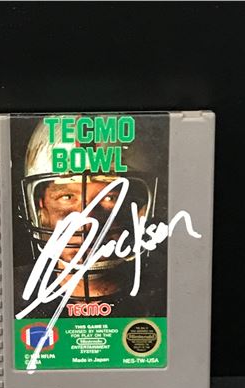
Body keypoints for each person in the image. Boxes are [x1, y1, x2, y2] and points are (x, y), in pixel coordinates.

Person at [14, 116, 167, 319]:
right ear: (41, 208)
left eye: (110, 197)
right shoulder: (10, 292)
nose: (87, 222)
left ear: (139, 208)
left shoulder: (166, 293)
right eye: (67, 197)